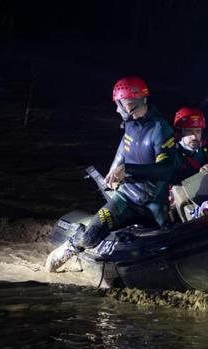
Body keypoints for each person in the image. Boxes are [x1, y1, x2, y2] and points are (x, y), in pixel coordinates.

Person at [45, 76, 178, 272]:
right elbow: (124, 148)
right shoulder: (131, 124)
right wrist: (114, 169)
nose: (117, 109)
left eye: (119, 104)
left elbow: (165, 169)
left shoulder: (160, 129)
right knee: (90, 236)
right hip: (125, 198)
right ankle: (71, 246)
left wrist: (128, 170)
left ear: (131, 103)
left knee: (164, 248)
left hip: (154, 204)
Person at [171, 107, 208, 180]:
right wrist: (199, 174)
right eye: (189, 131)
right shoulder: (171, 154)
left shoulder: (204, 149)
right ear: (179, 133)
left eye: (198, 131)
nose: (194, 137)